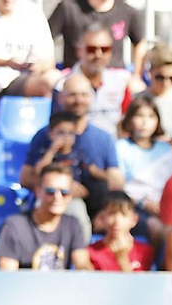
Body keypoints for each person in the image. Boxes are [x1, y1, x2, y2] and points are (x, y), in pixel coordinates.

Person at [21, 75, 124, 221]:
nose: (78, 100)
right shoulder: (44, 135)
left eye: (84, 95)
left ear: (92, 98)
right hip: (59, 203)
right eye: (72, 95)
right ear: (60, 98)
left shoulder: (103, 138)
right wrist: (63, 187)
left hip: (97, 203)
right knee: (75, 211)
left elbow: (116, 181)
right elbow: (26, 178)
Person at [0, 163, 92, 269]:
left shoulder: (73, 225)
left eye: (64, 192)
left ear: (70, 196)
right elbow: (8, 276)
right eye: (50, 191)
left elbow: (83, 265)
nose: (57, 197)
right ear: (38, 191)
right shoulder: (14, 226)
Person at [116, 95, 172, 238]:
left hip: (165, 206)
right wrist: (144, 203)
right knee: (157, 229)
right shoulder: (121, 148)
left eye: (151, 116)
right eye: (139, 116)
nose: (145, 122)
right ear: (130, 119)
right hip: (134, 207)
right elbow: (119, 188)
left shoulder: (166, 150)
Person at [55, 22, 132, 127]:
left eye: (105, 50)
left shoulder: (120, 83)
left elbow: (127, 122)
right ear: (79, 51)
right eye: (91, 49)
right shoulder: (62, 85)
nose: (98, 55)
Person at [48, 0, 146, 71]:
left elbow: (140, 43)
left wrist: (137, 76)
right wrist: (49, 67)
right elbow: (45, 39)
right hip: (75, 76)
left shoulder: (127, 11)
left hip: (114, 75)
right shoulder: (68, 8)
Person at [87, 189, 151, 270]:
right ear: (102, 218)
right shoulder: (91, 252)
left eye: (123, 214)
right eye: (112, 214)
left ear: (134, 220)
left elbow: (138, 282)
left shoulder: (144, 252)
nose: (117, 221)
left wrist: (122, 259)